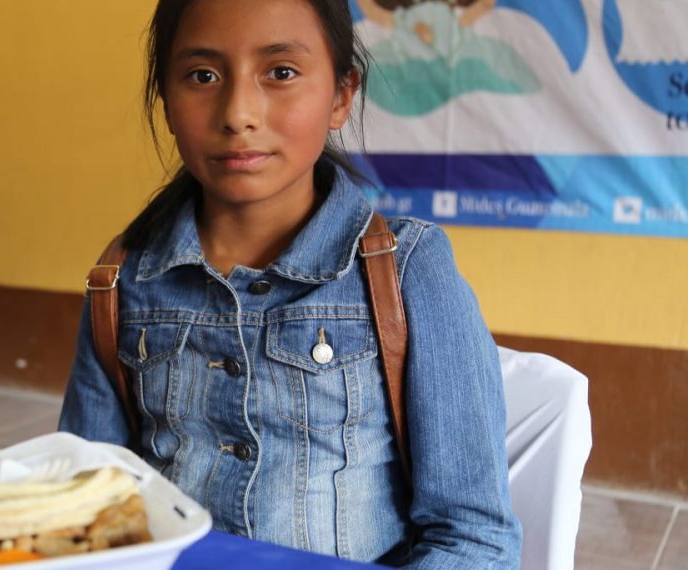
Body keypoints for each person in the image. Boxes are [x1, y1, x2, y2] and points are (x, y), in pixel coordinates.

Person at [58, 0, 521, 566]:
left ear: (341, 96)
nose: (238, 114)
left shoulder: (405, 268)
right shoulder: (122, 280)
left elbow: (474, 538)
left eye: (280, 72)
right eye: (202, 76)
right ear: (166, 101)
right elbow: (84, 509)